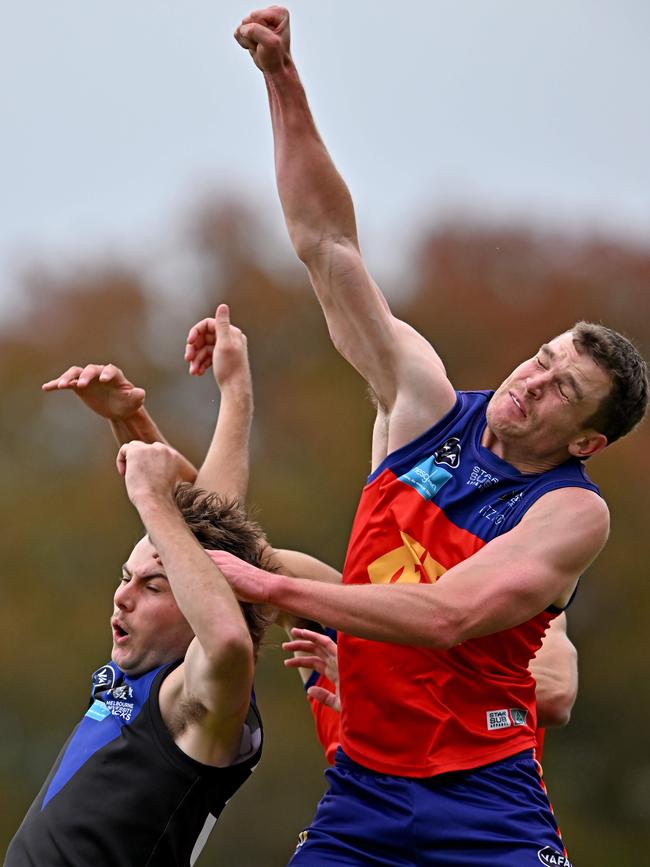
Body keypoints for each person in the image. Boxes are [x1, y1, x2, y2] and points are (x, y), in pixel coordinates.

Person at [195, 8, 649, 864]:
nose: (533, 378)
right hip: (363, 790)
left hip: (485, 804)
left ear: (586, 442)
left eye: (564, 389)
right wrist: (283, 82)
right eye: (542, 356)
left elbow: (448, 615)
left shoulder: (569, 512)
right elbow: (327, 245)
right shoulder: (424, 405)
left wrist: (273, 585)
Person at [6, 308, 270, 867]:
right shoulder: (144, 673)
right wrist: (139, 419)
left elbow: (223, 626)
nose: (123, 596)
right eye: (125, 579)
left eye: (152, 586)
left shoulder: (198, 696)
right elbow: (211, 529)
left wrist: (150, 495)